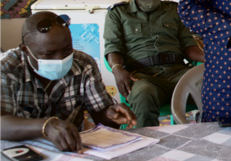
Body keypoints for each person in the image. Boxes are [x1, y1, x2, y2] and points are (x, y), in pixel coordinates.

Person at [2, 12, 137, 151]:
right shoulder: (6, 69)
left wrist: (110, 115)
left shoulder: (84, 64)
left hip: (71, 150)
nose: (60, 58)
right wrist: (46, 126)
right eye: (49, 54)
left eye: (67, 50)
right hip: (22, 152)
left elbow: (100, 116)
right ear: (25, 50)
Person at [104, 0, 205, 128]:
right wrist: (117, 69)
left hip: (178, 72)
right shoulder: (118, 14)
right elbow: (112, 47)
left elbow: (189, 46)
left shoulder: (173, 10)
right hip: (144, 76)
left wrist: (214, 59)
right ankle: (146, 144)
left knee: (213, 85)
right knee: (143, 94)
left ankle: (211, 135)